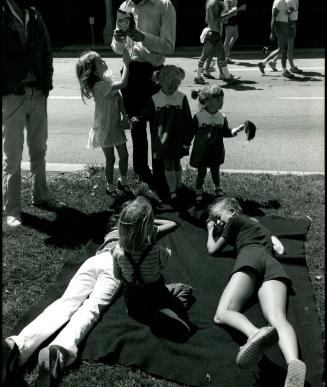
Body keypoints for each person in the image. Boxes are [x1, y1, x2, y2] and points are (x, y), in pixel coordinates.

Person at [2, 215, 122, 387]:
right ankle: (59, 348)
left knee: (67, 302)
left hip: (94, 261)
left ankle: (18, 344)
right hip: (114, 266)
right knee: (90, 308)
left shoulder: (111, 232)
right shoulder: (140, 236)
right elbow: (169, 224)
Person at [206, 197, 307, 387]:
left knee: (222, 313)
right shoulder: (260, 227)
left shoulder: (235, 221)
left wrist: (210, 230)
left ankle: (254, 333)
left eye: (219, 217)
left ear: (233, 212)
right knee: (277, 317)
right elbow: (280, 248)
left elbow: (213, 250)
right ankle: (293, 362)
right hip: (271, 263)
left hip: (250, 257)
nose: (218, 222)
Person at [2, 0, 62, 228]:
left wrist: (46, 84)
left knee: (39, 148)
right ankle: (12, 209)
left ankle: (41, 195)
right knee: (13, 156)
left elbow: (47, 51)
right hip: (12, 95)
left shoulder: (35, 15)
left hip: (38, 92)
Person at [111, 0, 176, 188]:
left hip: (154, 73)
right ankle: (142, 173)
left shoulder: (164, 5)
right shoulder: (124, 5)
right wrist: (118, 39)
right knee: (136, 127)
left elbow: (169, 46)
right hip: (130, 72)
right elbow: (117, 48)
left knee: (158, 127)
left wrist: (142, 37)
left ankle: (160, 174)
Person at [112, 196, 193, 341]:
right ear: (149, 227)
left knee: (138, 302)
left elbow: (118, 276)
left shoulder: (117, 252)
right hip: (156, 296)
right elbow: (162, 266)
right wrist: (153, 239)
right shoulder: (157, 251)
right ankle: (167, 312)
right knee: (184, 289)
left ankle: (148, 314)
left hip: (133, 304)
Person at [131, 65, 193, 203]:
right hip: (162, 138)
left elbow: (188, 119)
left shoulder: (182, 98)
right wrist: (139, 119)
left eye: (177, 85)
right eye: (171, 85)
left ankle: (178, 186)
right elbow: (147, 112)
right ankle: (172, 190)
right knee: (168, 163)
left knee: (177, 162)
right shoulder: (156, 98)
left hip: (177, 137)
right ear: (162, 82)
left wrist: (187, 139)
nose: (174, 88)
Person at [76, 50, 132, 198]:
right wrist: (126, 64)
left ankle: (123, 181)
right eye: (100, 61)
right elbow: (124, 84)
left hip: (115, 123)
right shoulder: (98, 86)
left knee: (124, 155)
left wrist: (125, 116)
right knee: (111, 158)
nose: (104, 61)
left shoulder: (107, 79)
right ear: (93, 71)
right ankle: (110, 186)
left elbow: (118, 98)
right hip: (104, 126)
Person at [189, 85, 246, 203]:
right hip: (202, 149)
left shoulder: (221, 117)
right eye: (218, 100)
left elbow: (224, 131)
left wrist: (233, 131)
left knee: (215, 169)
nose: (221, 103)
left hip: (216, 149)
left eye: (222, 100)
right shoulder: (199, 116)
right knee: (202, 171)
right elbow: (190, 132)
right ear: (207, 101)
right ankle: (199, 190)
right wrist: (185, 144)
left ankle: (217, 188)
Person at [195, 0, 240, 84]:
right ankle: (226, 77)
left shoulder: (209, 2)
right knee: (211, 56)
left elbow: (207, 20)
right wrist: (229, 14)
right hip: (213, 34)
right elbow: (216, 19)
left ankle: (199, 77)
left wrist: (225, 16)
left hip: (211, 33)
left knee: (217, 55)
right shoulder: (214, 3)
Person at [258, 0, 302, 75]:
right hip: (280, 26)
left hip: (284, 25)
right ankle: (284, 71)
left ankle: (263, 63)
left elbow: (284, 13)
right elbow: (273, 17)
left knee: (281, 49)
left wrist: (290, 10)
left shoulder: (282, 1)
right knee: (284, 49)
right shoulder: (280, 1)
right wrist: (272, 32)